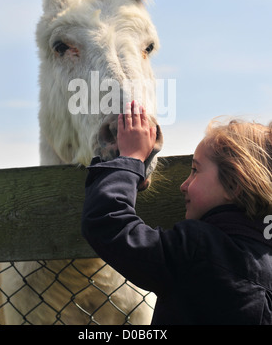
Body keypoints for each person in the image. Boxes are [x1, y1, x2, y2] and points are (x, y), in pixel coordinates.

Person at [81, 101, 272, 325]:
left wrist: (130, 159)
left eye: (195, 171)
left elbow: (108, 224)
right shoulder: (264, 260)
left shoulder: (198, 252)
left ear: (232, 185)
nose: (183, 185)